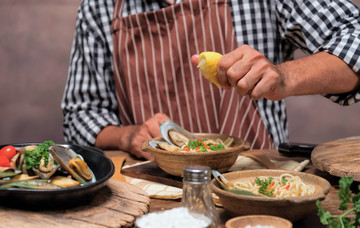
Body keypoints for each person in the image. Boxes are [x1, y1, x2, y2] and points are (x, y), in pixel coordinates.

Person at [62, 0, 360, 160]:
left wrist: (284, 75)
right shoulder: (99, 8)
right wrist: (127, 137)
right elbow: (81, 115)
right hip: (151, 190)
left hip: (256, 184)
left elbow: (355, 41)